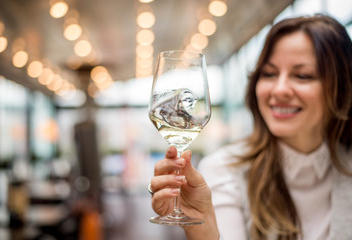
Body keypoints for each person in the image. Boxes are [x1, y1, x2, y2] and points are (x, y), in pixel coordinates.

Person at [148, 14, 352, 240]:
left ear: (341, 87)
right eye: (269, 74)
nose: (279, 89)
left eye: (302, 75)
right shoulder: (225, 170)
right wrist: (202, 227)